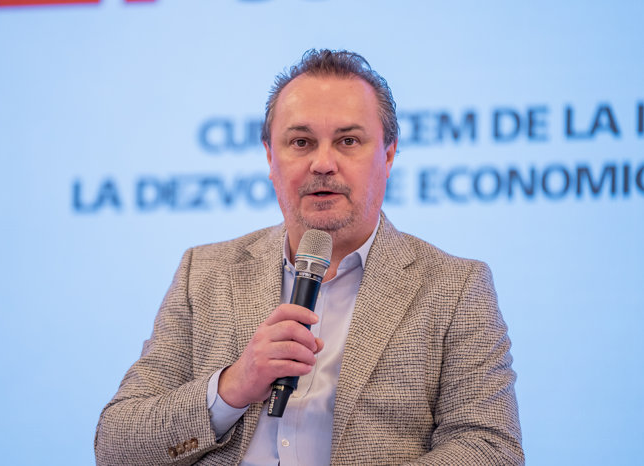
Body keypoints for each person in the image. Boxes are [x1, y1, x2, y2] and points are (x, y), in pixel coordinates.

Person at [95, 49, 523, 465]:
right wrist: (231, 387)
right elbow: (117, 448)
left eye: (348, 141)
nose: (323, 163)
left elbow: (491, 450)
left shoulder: (455, 288)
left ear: (388, 155)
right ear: (270, 157)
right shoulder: (205, 273)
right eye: (301, 142)